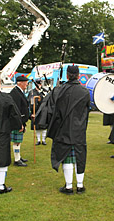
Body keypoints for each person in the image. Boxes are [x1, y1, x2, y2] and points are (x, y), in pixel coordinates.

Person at [41, 65, 90, 195]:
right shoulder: (85, 92)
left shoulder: (58, 90)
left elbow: (51, 109)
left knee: (67, 157)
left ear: (67, 76)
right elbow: (86, 111)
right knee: (79, 155)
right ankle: (80, 185)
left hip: (63, 128)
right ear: (79, 75)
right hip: (79, 129)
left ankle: (68, 187)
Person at [9, 75, 30, 167]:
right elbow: (16, 110)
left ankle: (18, 156)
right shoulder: (15, 93)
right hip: (17, 121)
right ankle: (17, 160)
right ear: (20, 83)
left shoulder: (19, 92)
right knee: (16, 141)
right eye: (25, 82)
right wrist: (19, 123)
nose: (27, 84)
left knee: (18, 141)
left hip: (21, 120)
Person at [27, 78, 47, 145]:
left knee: (44, 126)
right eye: (38, 84)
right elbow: (29, 101)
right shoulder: (32, 92)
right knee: (37, 127)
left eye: (40, 84)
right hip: (35, 111)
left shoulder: (44, 91)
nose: (39, 85)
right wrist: (32, 113)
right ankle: (38, 140)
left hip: (43, 111)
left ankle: (43, 140)